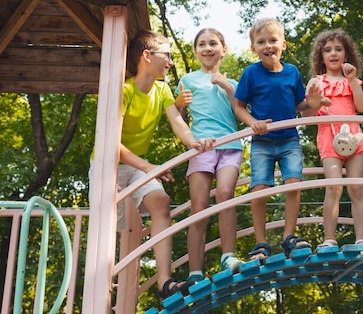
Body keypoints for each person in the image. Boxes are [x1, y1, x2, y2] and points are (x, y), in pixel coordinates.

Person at [88, 29, 213, 300]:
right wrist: (148, 167)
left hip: (136, 167)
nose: (169, 61)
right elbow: (112, 144)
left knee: (161, 201)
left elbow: (178, 123)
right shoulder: (124, 91)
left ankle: (164, 282)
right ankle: (103, 295)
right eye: (165, 55)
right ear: (147, 56)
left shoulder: (162, 89)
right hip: (107, 166)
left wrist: (194, 142)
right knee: (111, 231)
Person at [234, 17, 326, 260]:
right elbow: (239, 106)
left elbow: (301, 106)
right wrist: (252, 121)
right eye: (261, 42)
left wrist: (314, 104)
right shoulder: (251, 73)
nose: (267, 46)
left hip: (289, 140)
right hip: (262, 142)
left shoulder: (292, 72)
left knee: (293, 182)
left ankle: (289, 236)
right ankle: (261, 243)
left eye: (272, 40)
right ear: (253, 48)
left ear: (283, 44)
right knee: (259, 188)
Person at [175, 28, 243, 282]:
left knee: (226, 194)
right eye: (202, 44)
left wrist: (227, 86)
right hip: (201, 147)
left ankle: (228, 256)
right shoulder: (187, 79)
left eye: (213, 43)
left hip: (230, 145)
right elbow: (176, 117)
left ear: (223, 50)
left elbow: (240, 112)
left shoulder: (234, 84)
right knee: (199, 208)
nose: (207, 48)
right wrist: (179, 103)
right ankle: (195, 271)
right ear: (195, 51)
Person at [301, 29, 363, 248]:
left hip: (354, 136)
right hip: (329, 136)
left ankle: (361, 239)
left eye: (338, 49)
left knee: (356, 187)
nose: (333, 53)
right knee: (334, 187)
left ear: (346, 54)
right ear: (321, 56)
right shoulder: (317, 81)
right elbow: (306, 115)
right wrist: (318, 102)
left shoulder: (352, 80)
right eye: (327, 50)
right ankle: (329, 239)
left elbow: (362, 107)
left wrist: (351, 80)